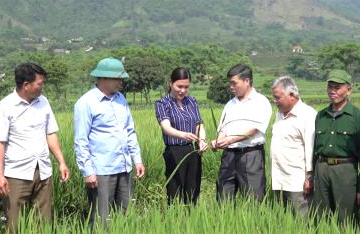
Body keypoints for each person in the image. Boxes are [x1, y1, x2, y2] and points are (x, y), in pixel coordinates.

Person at [0, 63, 70, 233]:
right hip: (16, 174)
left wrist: (62, 162)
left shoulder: (43, 102)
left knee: (43, 224)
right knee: (14, 226)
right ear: (26, 85)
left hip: (43, 171)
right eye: (39, 83)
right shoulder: (3, 108)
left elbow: (50, 133)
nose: (42, 87)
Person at [74, 57, 145, 226]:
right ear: (104, 78)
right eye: (118, 79)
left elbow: (130, 131)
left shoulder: (121, 99)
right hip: (101, 170)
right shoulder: (86, 103)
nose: (121, 82)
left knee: (127, 216)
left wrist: (137, 160)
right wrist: (88, 171)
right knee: (101, 219)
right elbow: (81, 141)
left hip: (124, 166)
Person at [211, 64, 272, 202]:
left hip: (250, 155)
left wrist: (231, 140)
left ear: (247, 81)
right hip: (229, 155)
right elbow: (222, 129)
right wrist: (218, 141)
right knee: (224, 196)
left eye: (234, 83)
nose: (231, 87)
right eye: (230, 83)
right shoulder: (229, 104)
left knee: (253, 199)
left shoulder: (261, 102)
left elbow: (255, 129)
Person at [313, 69, 360, 223]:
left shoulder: (358, 117)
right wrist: (311, 175)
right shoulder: (321, 115)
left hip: (345, 171)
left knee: (346, 217)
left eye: (337, 87)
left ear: (348, 90)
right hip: (321, 168)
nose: (332, 91)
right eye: (330, 87)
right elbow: (314, 150)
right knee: (321, 216)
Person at [155, 67, 208, 205]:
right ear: (170, 83)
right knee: (175, 193)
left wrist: (201, 140)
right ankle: (176, 222)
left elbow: (199, 124)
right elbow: (166, 127)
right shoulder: (163, 103)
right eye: (179, 86)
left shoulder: (192, 101)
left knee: (193, 192)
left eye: (186, 87)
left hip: (193, 150)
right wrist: (183, 135)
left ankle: (191, 221)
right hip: (174, 152)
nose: (183, 90)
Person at [270, 76, 316, 216]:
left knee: (301, 221)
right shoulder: (279, 114)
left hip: (297, 181)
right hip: (278, 179)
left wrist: (309, 177)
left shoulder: (307, 115)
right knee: (283, 220)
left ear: (291, 95)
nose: (275, 101)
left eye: (277, 97)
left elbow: (311, 148)